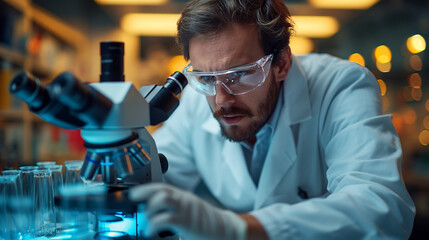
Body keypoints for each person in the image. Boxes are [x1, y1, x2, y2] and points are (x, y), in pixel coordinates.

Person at [129, 0, 416, 239]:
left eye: (239, 74)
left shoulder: (341, 85)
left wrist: (236, 228)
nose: (221, 99)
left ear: (281, 64)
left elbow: (381, 207)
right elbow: (151, 175)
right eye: (206, 77)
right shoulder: (196, 100)